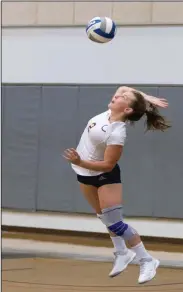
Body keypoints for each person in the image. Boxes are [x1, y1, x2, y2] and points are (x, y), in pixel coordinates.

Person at [63, 86, 170, 284]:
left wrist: (80, 161)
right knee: (103, 217)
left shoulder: (117, 132)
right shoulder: (109, 112)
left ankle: (147, 259)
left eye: (124, 98)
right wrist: (146, 97)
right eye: (120, 95)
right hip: (83, 173)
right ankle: (122, 252)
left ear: (127, 110)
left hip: (104, 175)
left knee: (115, 223)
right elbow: (123, 87)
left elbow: (107, 164)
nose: (118, 94)